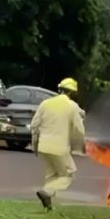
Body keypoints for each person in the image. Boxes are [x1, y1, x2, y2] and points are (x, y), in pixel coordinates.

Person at [31, 77, 86, 210]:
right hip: (59, 147)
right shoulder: (72, 106)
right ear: (72, 93)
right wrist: (80, 147)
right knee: (68, 174)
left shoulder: (45, 103)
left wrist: (35, 146)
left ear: (59, 89)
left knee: (52, 176)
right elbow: (79, 130)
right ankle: (46, 192)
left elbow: (34, 126)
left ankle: (48, 207)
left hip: (44, 146)